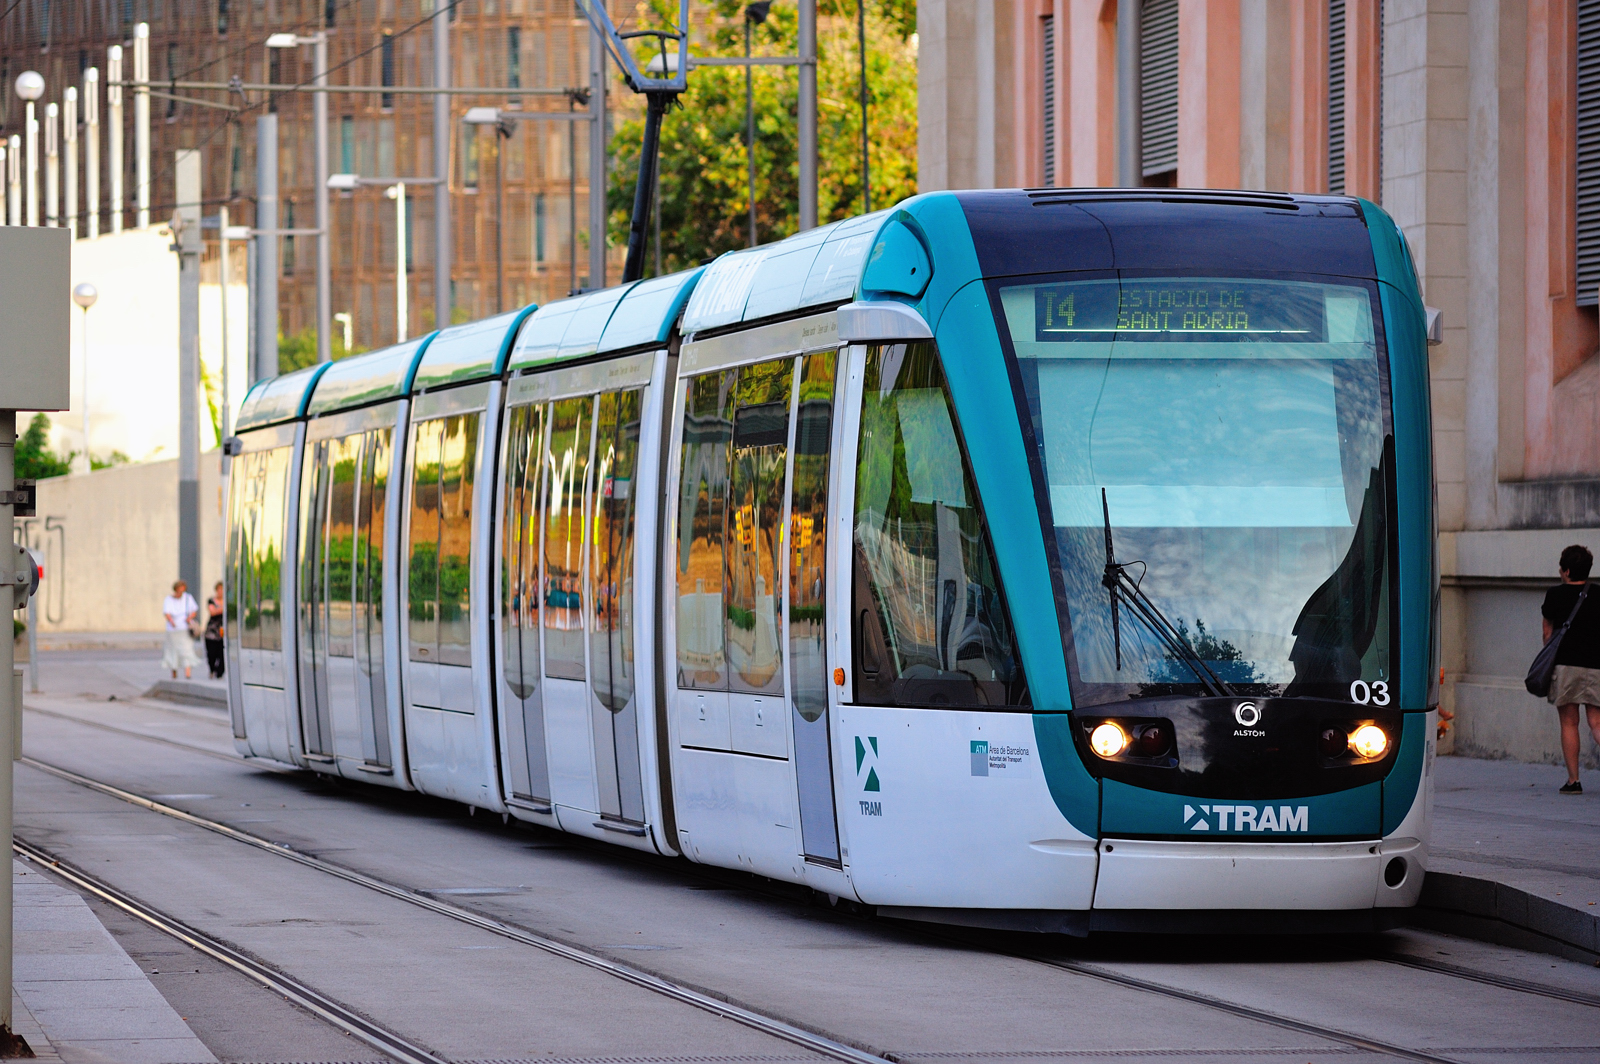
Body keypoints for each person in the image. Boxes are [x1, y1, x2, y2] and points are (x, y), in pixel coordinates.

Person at [1541, 544, 1600, 794]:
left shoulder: (1554, 595)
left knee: (1569, 723)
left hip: (1565, 666)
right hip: (1597, 666)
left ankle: (1573, 780)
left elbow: (1547, 633)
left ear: (1565, 570)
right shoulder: (1598, 594)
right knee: (1597, 721)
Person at [162, 580, 202, 681]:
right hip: (173, 630)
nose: (180, 593)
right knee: (173, 651)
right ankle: (174, 672)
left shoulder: (188, 598)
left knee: (186, 650)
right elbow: (167, 613)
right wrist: (171, 621)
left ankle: (187, 673)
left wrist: (189, 618)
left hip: (185, 629)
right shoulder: (169, 599)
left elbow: (194, 610)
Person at [204, 581, 226, 679]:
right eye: (219, 589)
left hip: (223, 631)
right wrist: (223, 608)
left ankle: (219, 672)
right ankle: (212, 669)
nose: (221, 592)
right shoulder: (211, 600)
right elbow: (212, 612)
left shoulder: (227, 601)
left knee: (222, 653)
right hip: (212, 631)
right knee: (211, 653)